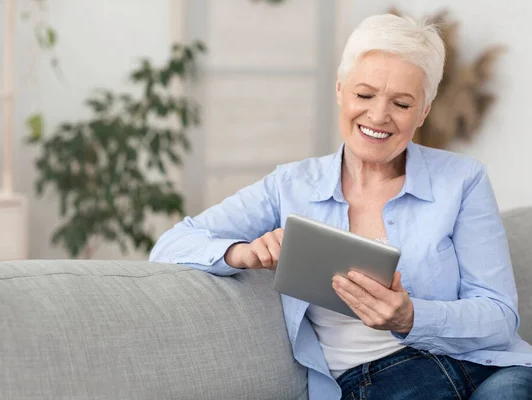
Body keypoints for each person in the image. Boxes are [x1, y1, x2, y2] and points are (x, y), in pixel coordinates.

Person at [149, 13, 532, 400]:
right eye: (364, 95)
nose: (378, 116)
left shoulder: (463, 180)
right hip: (381, 384)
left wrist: (411, 316)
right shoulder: (289, 186)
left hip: (487, 368)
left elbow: (500, 317)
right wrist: (240, 252)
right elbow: (170, 244)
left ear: (424, 111)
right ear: (339, 90)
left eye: (401, 103)